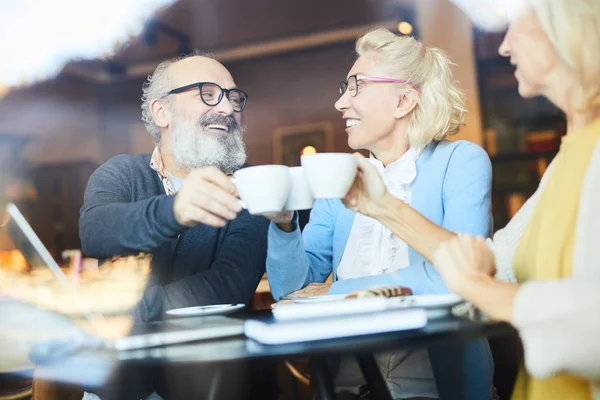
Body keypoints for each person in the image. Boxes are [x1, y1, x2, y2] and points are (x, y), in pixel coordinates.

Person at [346, 1, 600, 399]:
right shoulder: (571, 157)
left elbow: (591, 327)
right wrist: (381, 206)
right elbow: (492, 262)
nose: (503, 46)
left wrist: (479, 290)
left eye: (516, 24)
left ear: (566, 27)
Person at [266, 29, 494, 399]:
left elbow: (456, 277)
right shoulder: (341, 176)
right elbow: (292, 293)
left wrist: (337, 292)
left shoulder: (461, 162)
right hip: (345, 390)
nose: (341, 103)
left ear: (403, 101)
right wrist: (284, 224)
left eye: (356, 86)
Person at [79, 52, 269, 323]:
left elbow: (227, 287)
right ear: (162, 112)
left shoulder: (251, 185)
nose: (227, 109)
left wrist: (127, 311)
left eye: (233, 97)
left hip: (219, 359)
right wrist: (175, 211)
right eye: (208, 93)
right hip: (130, 362)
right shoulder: (123, 173)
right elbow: (95, 232)